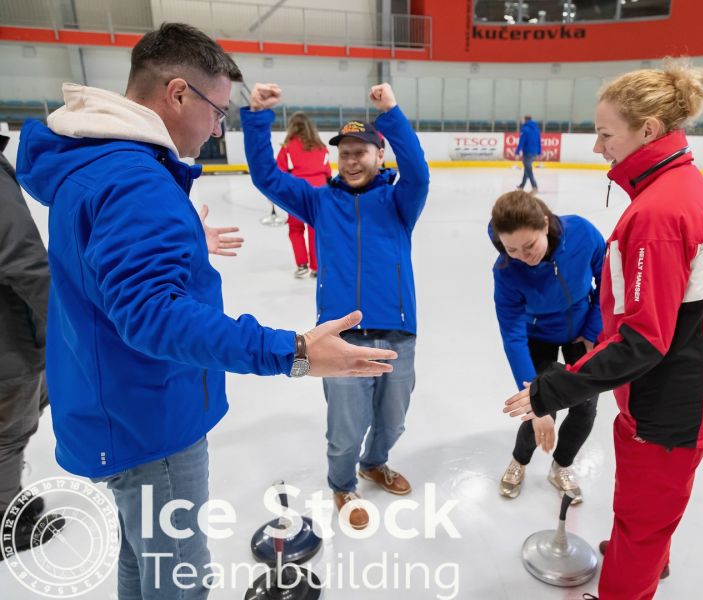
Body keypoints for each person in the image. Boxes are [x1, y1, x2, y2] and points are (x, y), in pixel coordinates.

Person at [15, 23, 397, 599]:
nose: (218, 127)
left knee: (140, 562)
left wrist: (185, 238)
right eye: (217, 111)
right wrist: (293, 351)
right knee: (179, 582)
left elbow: (110, 278)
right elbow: (153, 314)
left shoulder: (96, 165)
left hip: (115, 408)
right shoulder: (136, 182)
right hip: (152, 422)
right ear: (177, 93)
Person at [504, 60, 703, 600]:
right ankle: (648, 558)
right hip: (693, 386)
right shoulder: (680, 187)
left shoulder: (658, 213)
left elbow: (643, 341)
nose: (597, 147)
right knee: (653, 510)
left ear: (648, 131)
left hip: (674, 402)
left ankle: (632, 573)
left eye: (606, 134)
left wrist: (550, 389)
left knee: (641, 522)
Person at [242, 82, 429, 531]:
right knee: (346, 426)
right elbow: (267, 177)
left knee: (393, 421)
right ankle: (343, 483)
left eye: (361, 151)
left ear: (380, 155)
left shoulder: (399, 201)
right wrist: (257, 118)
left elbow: (419, 173)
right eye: (344, 153)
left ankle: (375, 463)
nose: (351, 160)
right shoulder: (320, 202)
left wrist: (392, 113)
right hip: (339, 336)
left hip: (397, 331)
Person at [490, 190, 605, 503]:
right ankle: (519, 460)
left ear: (544, 223)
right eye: (512, 249)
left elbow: (607, 278)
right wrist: (532, 400)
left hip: (582, 331)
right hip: (537, 336)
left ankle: (562, 465)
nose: (523, 256)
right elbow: (512, 335)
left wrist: (593, 329)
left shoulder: (582, 233)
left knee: (585, 406)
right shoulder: (506, 270)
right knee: (542, 406)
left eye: (529, 245)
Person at [0, 134, 64, 560]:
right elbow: (23, 260)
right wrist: (67, 329)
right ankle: (6, 522)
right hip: (9, 340)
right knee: (9, 433)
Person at [277, 111, 331, 278]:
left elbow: (279, 173)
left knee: (295, 229)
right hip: (319, 192)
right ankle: (316, 267)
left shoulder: (287, 148)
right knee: (315, 229)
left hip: (296, 192)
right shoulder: (321, 147)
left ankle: (302, 265)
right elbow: (328, 173)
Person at [514, 115, 542, 192]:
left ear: (526, 120)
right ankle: (522, 186)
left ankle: (534, 186)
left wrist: (517, 151)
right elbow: (539, 142)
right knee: (527, 169)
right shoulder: (537, 129)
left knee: (529, 170)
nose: (522, 121)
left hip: (527, 152)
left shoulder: (525, 129)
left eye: (523, 119)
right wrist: (539, 152)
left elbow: (521, 141)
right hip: (534, 152)